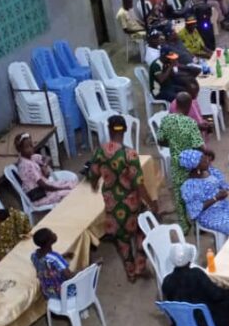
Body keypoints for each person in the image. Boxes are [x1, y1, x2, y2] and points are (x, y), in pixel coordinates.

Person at [89, 115, 156, 281]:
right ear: (124, 130)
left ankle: (131, 272)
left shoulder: (99, 151)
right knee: (141, 233)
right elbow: (139, 184)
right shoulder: (130, 155)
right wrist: (151, 203)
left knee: (122, 240)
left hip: (112, 204)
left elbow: (93, 176)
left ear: (109, 130)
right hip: (131, 203)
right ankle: (141, 267)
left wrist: (96, 184)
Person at [161, 244, 229, 326]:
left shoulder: (166, 281)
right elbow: (217, 295)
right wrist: (225, 290)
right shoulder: (196, 274)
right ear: (189, 259)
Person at [157, 96, 205, 232]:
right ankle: (198, 224)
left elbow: (160, 140)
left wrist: (172, 144)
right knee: (195, 194)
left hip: (176, 163)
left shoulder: (166, 120)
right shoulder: (190, 123)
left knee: (179, 196)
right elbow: (198, 145)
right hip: (191, 166)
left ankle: (184, 226)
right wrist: (208, 153)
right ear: (189, 106)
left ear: (176, 103)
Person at [179, 149, 229, 236]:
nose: (207, 160)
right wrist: (216, 198)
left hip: (223, 205)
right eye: (203, 160)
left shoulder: (209, 171)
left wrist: (223, 190)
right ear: (196, 166)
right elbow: (195, 209)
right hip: (208, 214)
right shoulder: (190, 186)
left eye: (204, 157)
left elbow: (221, 184)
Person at [15, 132, 77, 208]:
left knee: (71, 184)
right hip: (40, 196)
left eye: (31, 145)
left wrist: (44, 166)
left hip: (46, 189)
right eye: (27, 147)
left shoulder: (31, 157)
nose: (31, 149)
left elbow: (47, 158)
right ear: (20, 149)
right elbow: (43, 186)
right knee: (70, 192)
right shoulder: (26, 165)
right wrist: (61, 188)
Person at [30, 228, 74, 300]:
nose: (54, 234)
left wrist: (62, 256)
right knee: (86, 275)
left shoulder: (34, 255)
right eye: (52, 233)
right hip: (63, 294)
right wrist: (89, 267)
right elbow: (69, 276)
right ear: (49, 242)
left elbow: (45, 262)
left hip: (48, 293)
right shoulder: (55, 257)